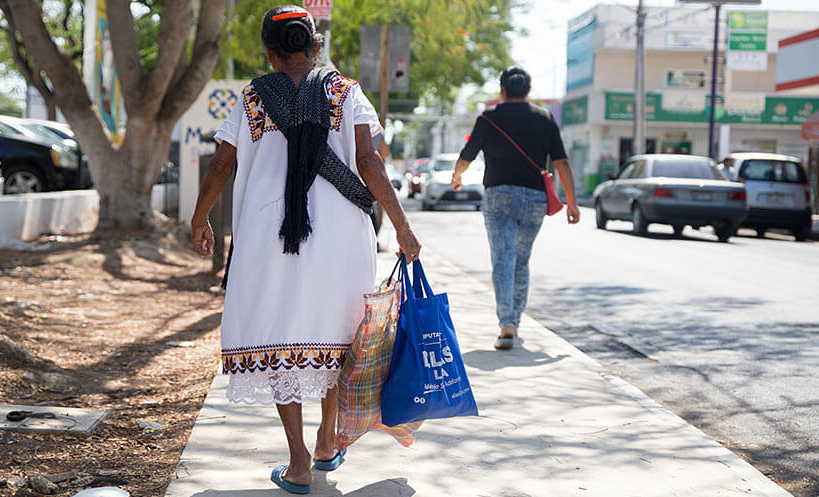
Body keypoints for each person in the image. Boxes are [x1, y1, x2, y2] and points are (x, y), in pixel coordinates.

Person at [190, 5, 420, 494]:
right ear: (317, 47)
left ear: (269, 52)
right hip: (340, 232)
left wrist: (200, 215)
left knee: (280, 332)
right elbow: (370, 163)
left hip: (268, 233)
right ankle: (326, 440)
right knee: (338, 331)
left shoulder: (253, 97)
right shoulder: (345, 91)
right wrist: (401, 226)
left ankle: (297, 462)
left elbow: (220, 165)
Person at [451, 66, 579, 351]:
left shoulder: (489, 119)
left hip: (500, 197)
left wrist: (457, 176)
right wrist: (571, 201)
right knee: (521, 261)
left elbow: (467, 155)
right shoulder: (545, 119)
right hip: (535, 200)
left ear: (502, 90)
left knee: (503, 260)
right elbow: (562, 162)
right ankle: (515, 321)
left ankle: (507, 324)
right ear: (529, 91)